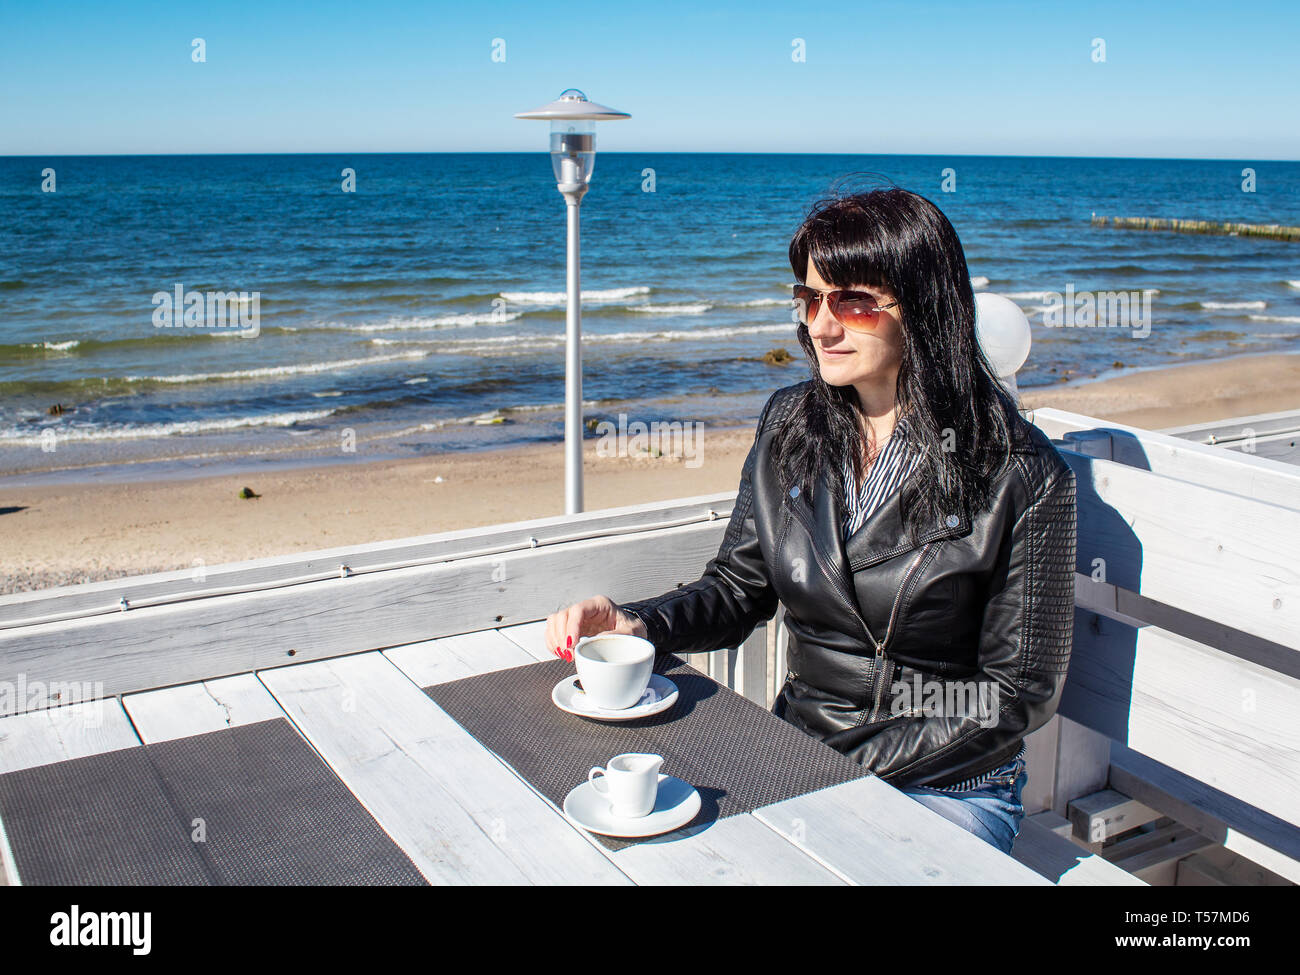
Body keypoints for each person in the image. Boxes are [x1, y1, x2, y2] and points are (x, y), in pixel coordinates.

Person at [544, 186, 1076, 856]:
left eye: (852, 301)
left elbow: (1015, 693)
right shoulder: (791, 424)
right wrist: (639, 623)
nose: (820, 326)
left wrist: (839, 768)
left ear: (926, 307)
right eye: (810, 298)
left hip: (944, 785)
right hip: (796, 752)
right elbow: (738, 588)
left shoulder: (1021, 474)